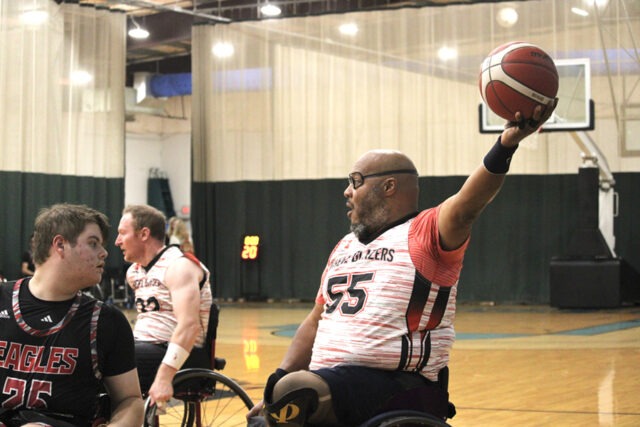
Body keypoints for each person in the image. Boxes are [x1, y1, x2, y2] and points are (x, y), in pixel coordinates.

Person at [246, 102, 558, 426]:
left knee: (298, 390)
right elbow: (314, 321)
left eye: (355, 181)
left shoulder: (424, 232)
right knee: (272, 409)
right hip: (328, 385)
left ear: (389, 186)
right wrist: (275, 386)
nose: (347, 191)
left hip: (398, 387)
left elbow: (467, 204)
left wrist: (505, 146)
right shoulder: (343, 246)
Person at [0, 203, 144, 427]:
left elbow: (131, 400)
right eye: (93, 243)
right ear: (60, 245)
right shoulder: (3, 298)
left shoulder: (107, 320)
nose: (104, 253)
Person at [115, 205, 212, 411]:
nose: (117, 241)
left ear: (144, 234)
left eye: (122, 233)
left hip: (180, 353)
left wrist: (163, 377)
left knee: (111, 361)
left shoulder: (179, 266)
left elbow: (189, 326)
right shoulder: (134, 273)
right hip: (143, 347)